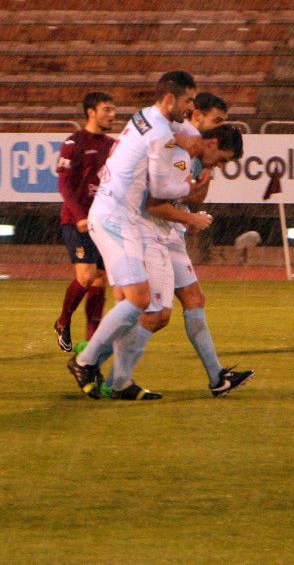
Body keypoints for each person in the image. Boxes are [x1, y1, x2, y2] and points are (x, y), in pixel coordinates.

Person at [66, 71, 200, 399]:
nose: (191, 107)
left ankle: (121, 382)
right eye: (187, 101)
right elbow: (159, 188)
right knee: (140, 301)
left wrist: (195, 138)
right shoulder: (157, 131)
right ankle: (85, 361)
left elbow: (187, 131)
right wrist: (191, 187)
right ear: (170, 99)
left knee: (133, 303)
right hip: (115, 219)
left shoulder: (147, 116)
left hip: (118, 217)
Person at [143, 119, 253, 396]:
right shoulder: (178, 154)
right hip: (149, 232)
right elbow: (155, 205)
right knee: (156, 316)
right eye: (221, 159)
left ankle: (218, 378)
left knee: (194, 299)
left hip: (170, 233)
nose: (219, 164)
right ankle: (95, 358)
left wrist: (205, 174)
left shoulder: (195, 158)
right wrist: (189, 216)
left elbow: (193, 200)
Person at [52, 91, 116, 352]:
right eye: (107, 110)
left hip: (102, 221)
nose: (112, 115)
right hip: (76, 221)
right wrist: (79, 216)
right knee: (87, 276)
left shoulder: (113, 145)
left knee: (100, 279)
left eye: (113, 110)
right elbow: (64, 183)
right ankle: (63, 321)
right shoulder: (74, 142)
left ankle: (92, 342)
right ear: (91, 112)